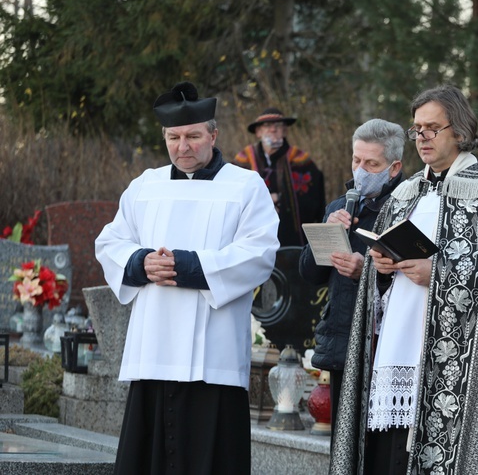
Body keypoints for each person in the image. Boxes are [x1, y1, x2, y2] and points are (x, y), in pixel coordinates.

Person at [331, 85, 478, 474]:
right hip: (397, 347)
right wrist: (379, 271)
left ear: (460, 131)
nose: (422, 138)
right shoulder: (405, 194)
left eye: (432, 128)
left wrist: (439, 275)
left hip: (464, 370)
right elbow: (375, 288)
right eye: (417, 129)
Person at [95, 81, 280, 474]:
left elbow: (259, 253)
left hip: (213, 355)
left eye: (194, 136)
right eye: (174, 137)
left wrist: (187, 267)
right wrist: (141, 262)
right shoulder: (145, 186)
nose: (184, 147)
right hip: (154, 349)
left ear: (212, 135)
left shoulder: (245, 187)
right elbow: (110, 242)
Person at [299, 118, 405, 433]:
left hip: (383, 345)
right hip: (340, 339)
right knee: (342, 440)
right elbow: (310, 274)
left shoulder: (404, 208)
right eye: (356, 160)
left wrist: (365, 271)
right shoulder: (339, 205)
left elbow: (410, 279)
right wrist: (327, 233)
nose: (360, 170)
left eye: (372, 164)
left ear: (394, 168)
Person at [234, 107, 326, 246]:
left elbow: (313, 199)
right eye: (267, 126)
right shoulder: (244, 159)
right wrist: (265, 200)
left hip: (289, 234)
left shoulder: (301, 160)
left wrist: (280, 200)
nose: (273, 130)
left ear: (285, 131)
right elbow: (234, 194)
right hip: (253, 233)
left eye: (278, 126)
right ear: (258, 132)